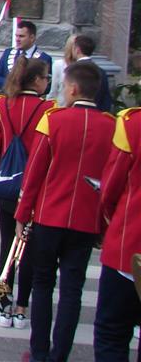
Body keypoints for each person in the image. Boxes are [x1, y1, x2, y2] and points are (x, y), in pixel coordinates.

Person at [14, 60, 116, 362]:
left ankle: (39, 352)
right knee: (72, 290)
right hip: (86, 218)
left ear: (72, 88)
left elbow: (34, 172)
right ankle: (60, 355)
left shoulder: (53, 120)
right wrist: (105, 224)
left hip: (50, 215)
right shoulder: (111, 126)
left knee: (43, 284)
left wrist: (23, 213)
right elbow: (111, 180)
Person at [0, 58, 53, 329]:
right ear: (36, 81)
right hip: (36, 186)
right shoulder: (49, 109)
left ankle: (3, 304)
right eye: (46, 78)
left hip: (6, 183)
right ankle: (22, 308)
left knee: (7, 243)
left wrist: (3, 165)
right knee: (29, 247)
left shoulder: (2, 104)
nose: (47, 82)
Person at [94, 105, 141, 360]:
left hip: (129, 245)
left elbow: (110, 189)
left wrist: (112, 222)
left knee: (112, 333)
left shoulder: (133, 123)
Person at [0, 20, 53, 94]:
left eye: (21, 36)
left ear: (32, 37)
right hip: (9, 98)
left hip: (31, 99)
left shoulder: (44, 58)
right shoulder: (7, 53)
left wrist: (26, 88)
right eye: (16, 36)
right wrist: (12, 85)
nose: (17, 39)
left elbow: (48, 86)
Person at [69, 34, 113, 112]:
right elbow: (106, 100)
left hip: (75, 113)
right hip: (97, 115)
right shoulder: (101, 71)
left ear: (77, 50)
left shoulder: (73, 71)